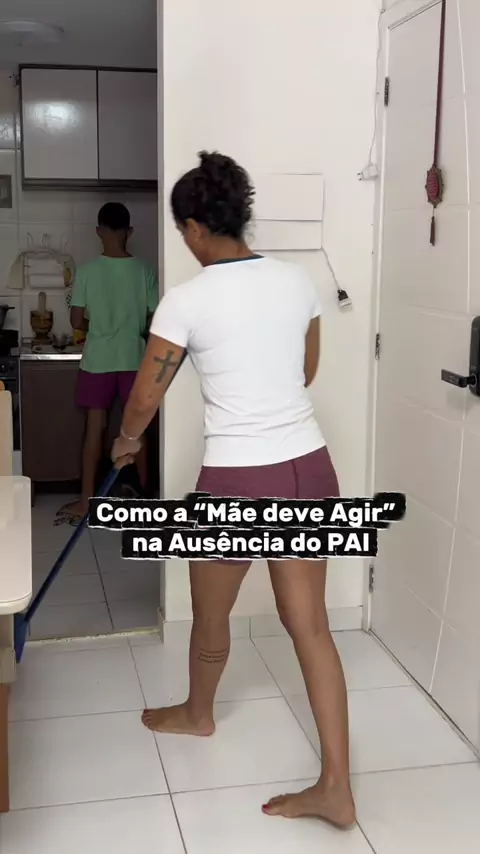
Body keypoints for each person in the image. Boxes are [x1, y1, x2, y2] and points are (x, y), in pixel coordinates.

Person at [112, 153, 355, 829]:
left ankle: (198, 713)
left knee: (210, 610)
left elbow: (145, 397)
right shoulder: (297, 282)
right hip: (310, 467)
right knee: (310, 625)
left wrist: (127, 442)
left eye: (183, 231)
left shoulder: (187, 299)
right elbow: (305, 372)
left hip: (239, 479)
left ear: (194, 228)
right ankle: (337, 788)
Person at [61, 202, 158, 523]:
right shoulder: (144, 270)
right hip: (133, 358)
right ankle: (145, 503)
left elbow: (76, 320)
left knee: (95, 430)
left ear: (98, 231)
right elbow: (152, 318)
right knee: (136, 430)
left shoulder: (87, 271)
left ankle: (86, 503)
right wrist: (131, 328)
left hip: (98, 359)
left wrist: (99, 327)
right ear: (129, 232)